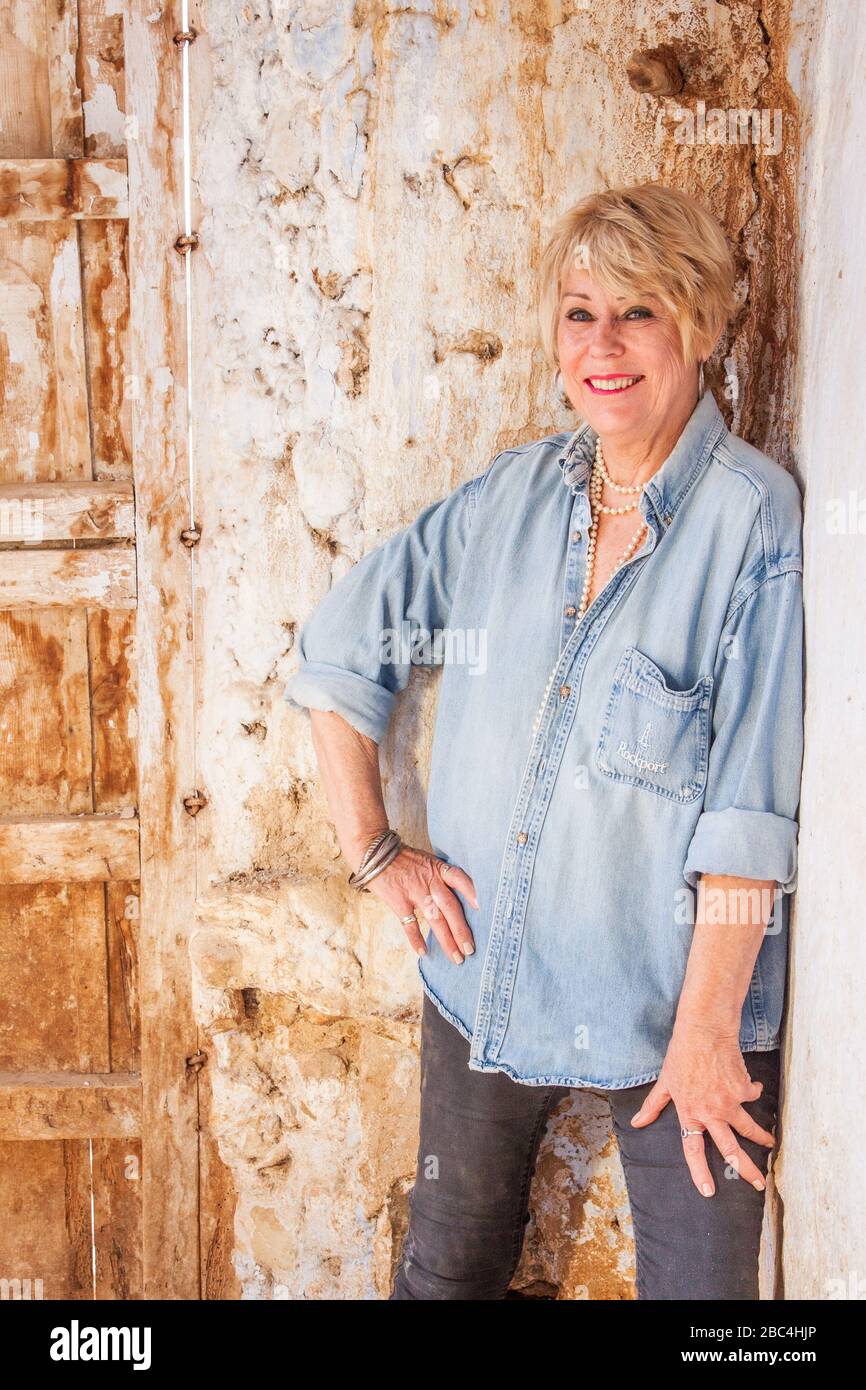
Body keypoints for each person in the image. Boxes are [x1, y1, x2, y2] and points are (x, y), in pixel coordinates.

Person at [284, 183, 805, 1300]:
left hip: (678, 1019)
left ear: (700, 325)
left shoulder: (751, 519)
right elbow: (339, 651)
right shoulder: (510, 497)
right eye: (579, 314)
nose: (601, 347)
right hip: (488, 972)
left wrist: (707, 1031)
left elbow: (749, 813)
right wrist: (375, 851)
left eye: (638, 312)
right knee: (443, 1277)